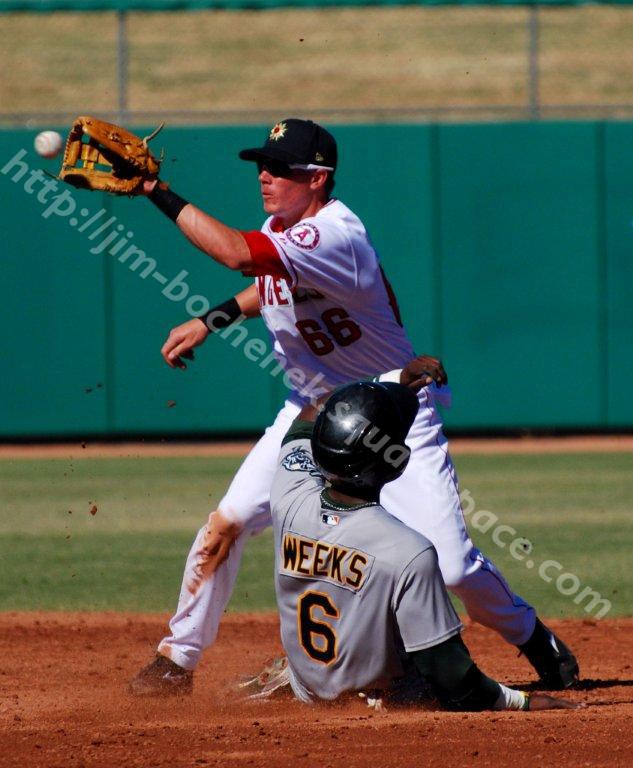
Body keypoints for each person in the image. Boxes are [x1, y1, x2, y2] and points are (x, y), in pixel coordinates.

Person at [129, 119, 578, 696]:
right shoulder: (285, 229)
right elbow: (266, 283)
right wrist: (210, 320)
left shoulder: (335, 236)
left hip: (393, 411)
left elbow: (242, 256)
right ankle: (177, 660)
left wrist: (154, 192)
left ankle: (531, 634)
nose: (265, 175)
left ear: (317, 179)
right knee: (229, 522)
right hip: (311, 414)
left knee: (451, 567)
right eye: (261, 165)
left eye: (281, 168)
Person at [264, 367, 577, 711]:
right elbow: (455, 681)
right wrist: (524, 701)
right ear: (398, 464)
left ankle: (290, 677)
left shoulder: (289, 494)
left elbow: (315, 410)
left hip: (307, 688)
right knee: (416, 664)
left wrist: (385, 384)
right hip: (374, 707)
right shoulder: (407, 552)